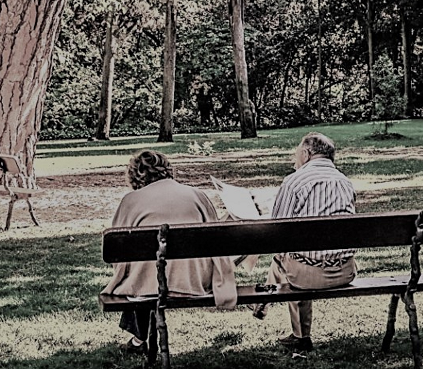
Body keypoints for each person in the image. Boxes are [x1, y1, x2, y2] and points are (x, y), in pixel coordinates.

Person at [101, 150, 237, 355]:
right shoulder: (197, 195)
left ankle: (139, 339)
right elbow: (216, 242)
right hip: (193, 281)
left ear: (136, 175)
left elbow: (119, 254)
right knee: (148, 270)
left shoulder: (130, 200)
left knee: (141, 272)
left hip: (147, 283)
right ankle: (138, 339)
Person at [255, 132, 357, 352]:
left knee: (284, 259)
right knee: (290, 259)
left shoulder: (294, 181)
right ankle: (266, 309)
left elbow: (278, 230)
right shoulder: (345, 182)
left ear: (305, 152)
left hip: (308, 277)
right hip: (345, 272)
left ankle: (269, 309)